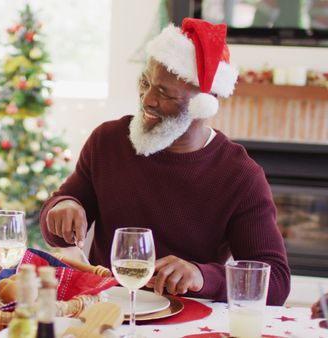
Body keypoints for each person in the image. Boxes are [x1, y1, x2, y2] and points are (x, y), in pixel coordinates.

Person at [39, 18, 291, 305]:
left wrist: (202, 275)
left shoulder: (240, 175)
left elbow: (277, 283)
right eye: (146, 83)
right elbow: (59, 225)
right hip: (106, 309)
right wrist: (63, 206)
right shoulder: (107, 140)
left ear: (203, 105)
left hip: (190, 317)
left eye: (165, 93)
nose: (147, 100)